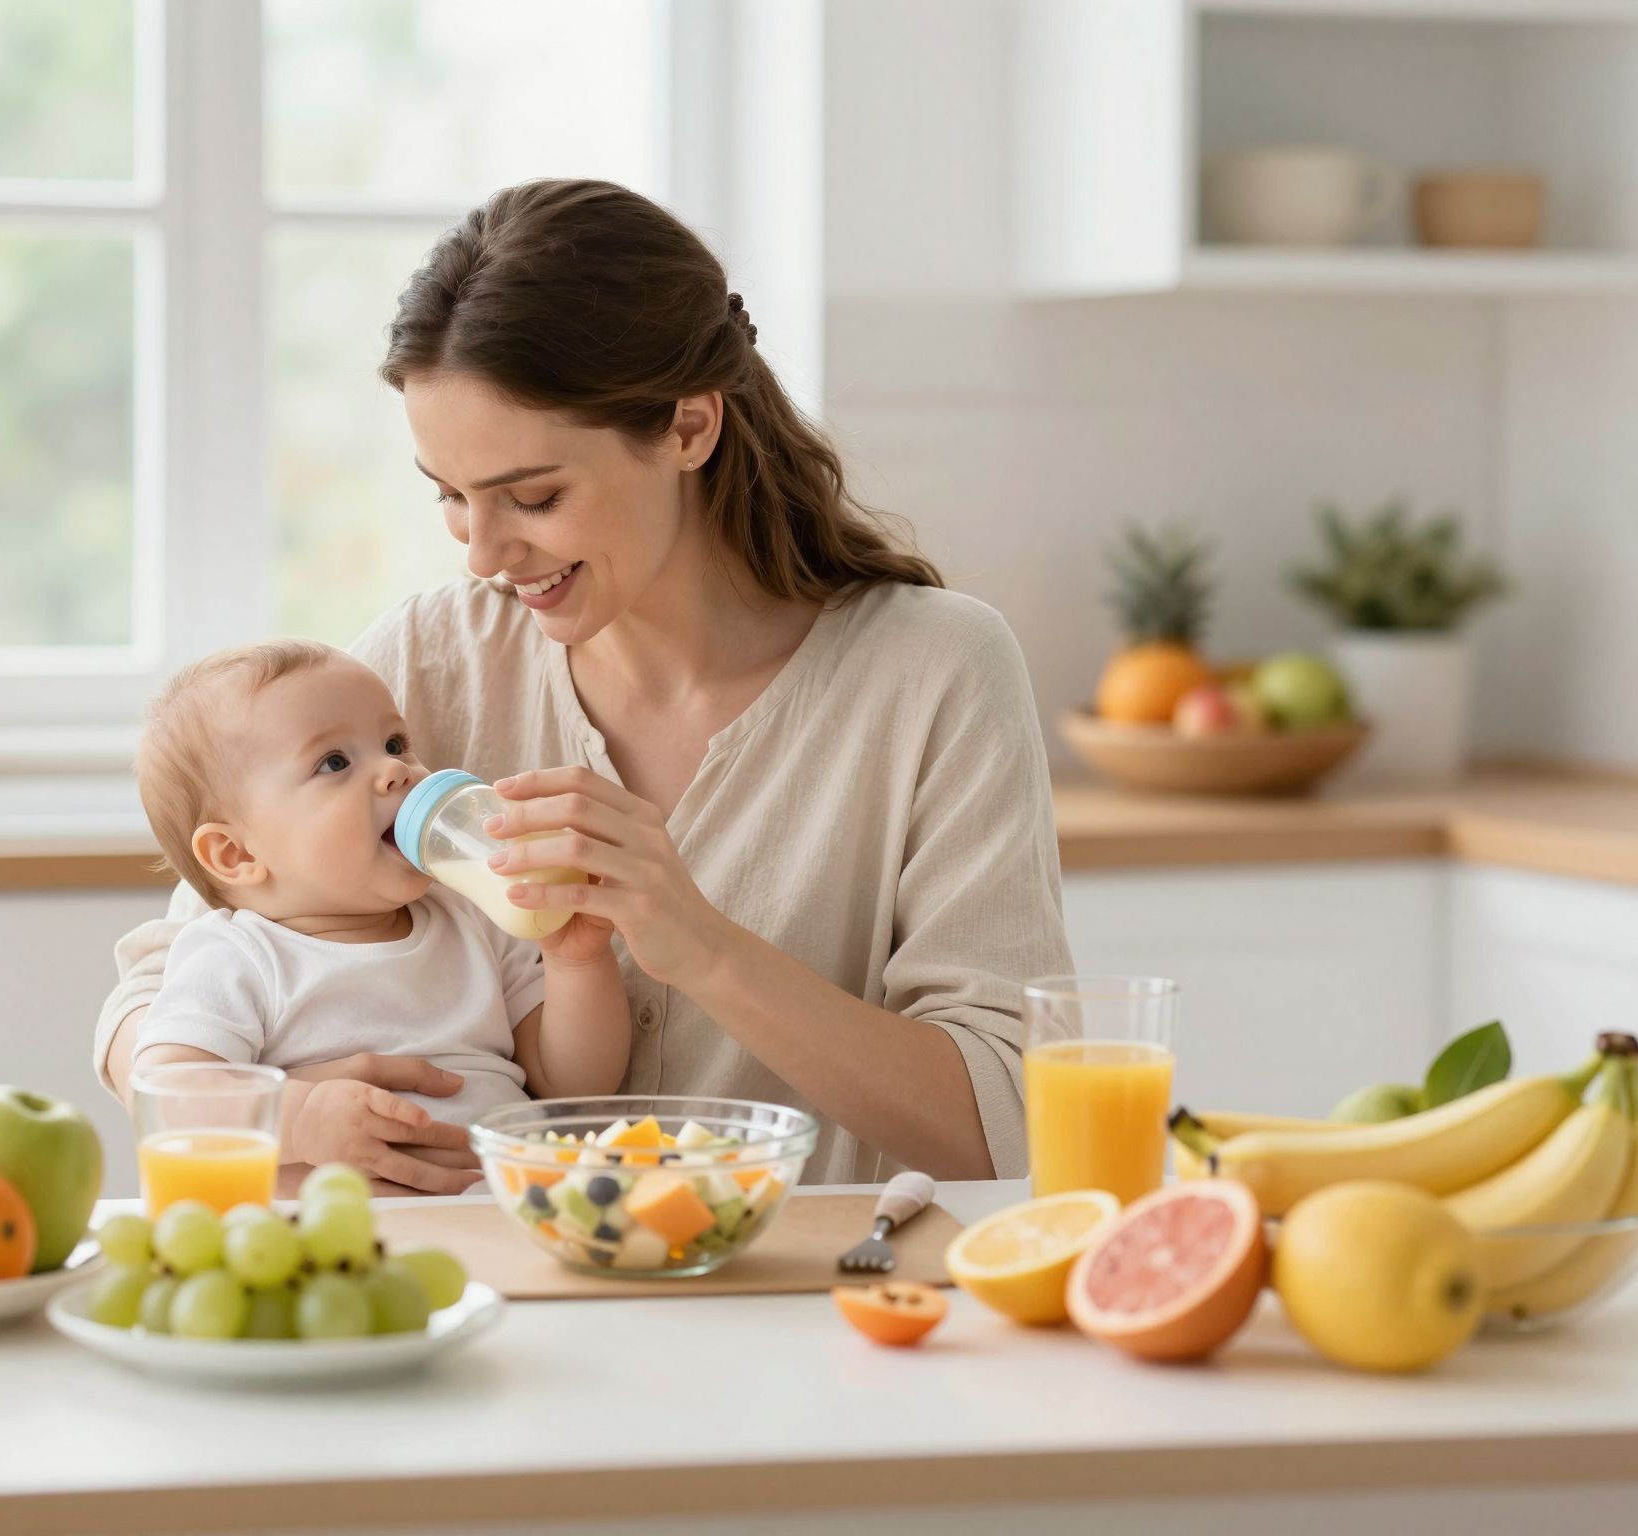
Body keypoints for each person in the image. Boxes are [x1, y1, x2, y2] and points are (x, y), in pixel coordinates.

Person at [97, 178, 1073, 1192]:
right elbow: (156, 995)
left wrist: (696, 943)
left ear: (689, 429)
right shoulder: (423, 666)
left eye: (533, 495)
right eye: (449, 498)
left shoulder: (932, 675)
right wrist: (289, 1117)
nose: (482, 554)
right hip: (474, 1304)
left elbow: (1002, 1127)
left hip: (798, 1307)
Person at [129, 639, 630, 1195]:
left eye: (395, 742)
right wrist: (301, 1120)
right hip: (340, 1245)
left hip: (505, 1219)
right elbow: (169, 1097)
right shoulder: (236, 955)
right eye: (334, 762)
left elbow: (575, 1085)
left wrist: (576, 964)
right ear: (238, 855)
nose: (396, 769)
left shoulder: (472, 918)